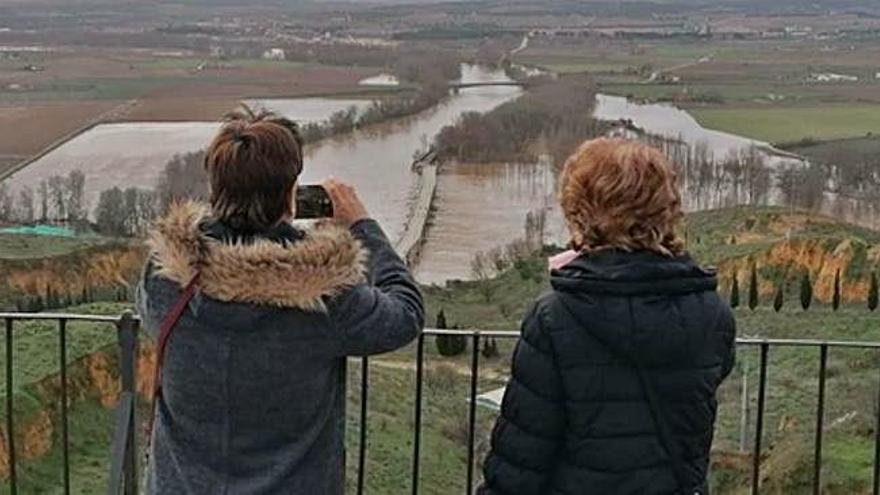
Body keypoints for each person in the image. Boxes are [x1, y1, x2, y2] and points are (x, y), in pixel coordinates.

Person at [136, 107, 424, 494]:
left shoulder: (166, 276)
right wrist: (362, 227)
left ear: (215, 189)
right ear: (291, 194)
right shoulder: (324, 294)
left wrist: (228, 215)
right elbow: (405, 314)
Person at [479, 138, 736, 495]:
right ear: (665, 209)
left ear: (582, 212)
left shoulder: (555, 318)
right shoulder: (713, 314)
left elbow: (522, 458)